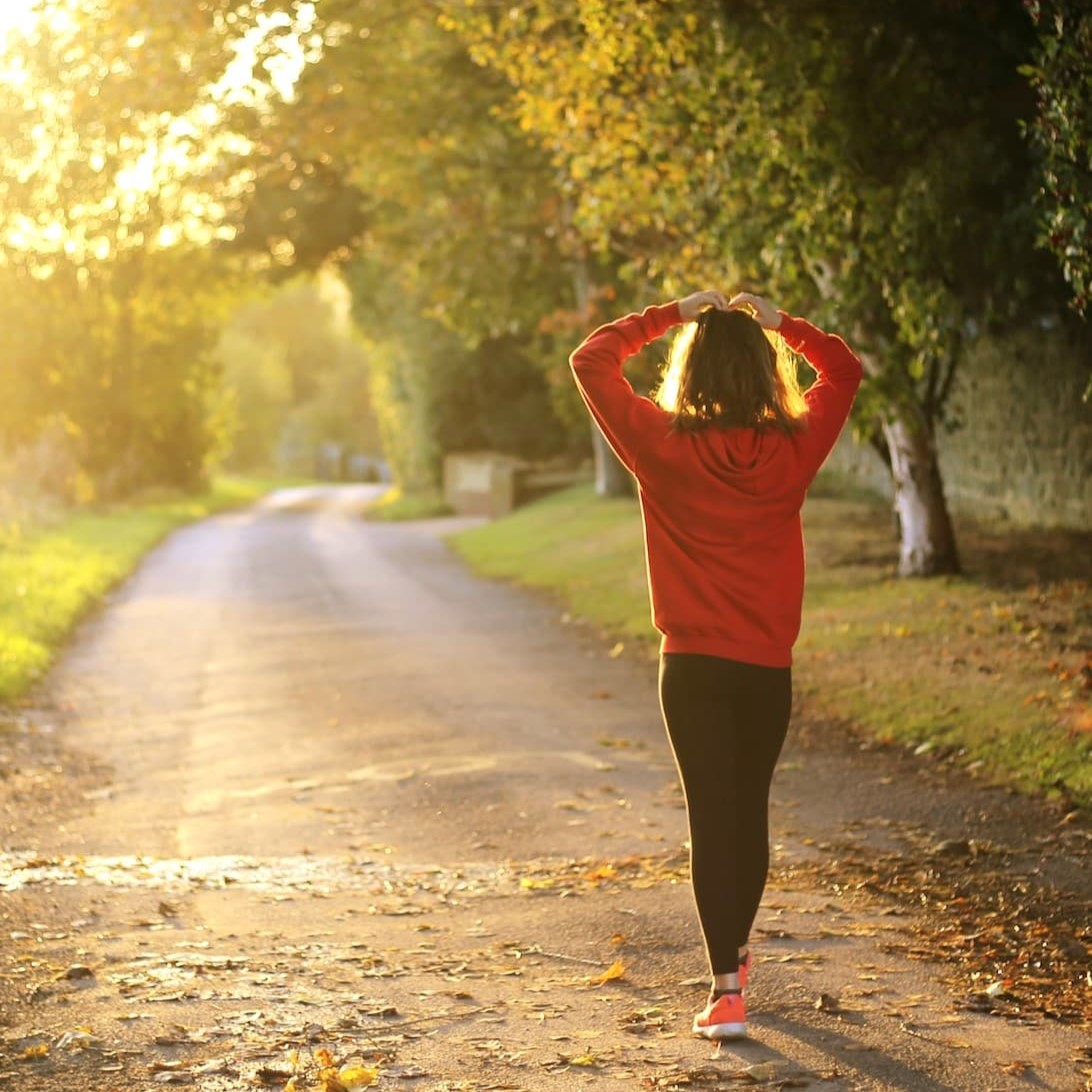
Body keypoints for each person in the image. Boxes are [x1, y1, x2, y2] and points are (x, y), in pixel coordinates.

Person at [569, 289, 863, 1040]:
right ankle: (732, 959)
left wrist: (670, 313)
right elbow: (845, 368)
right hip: (766, 667)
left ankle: (726, 988)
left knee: (711, 818)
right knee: (748, 811)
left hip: (692, 666)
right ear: (766, 374)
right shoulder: (795, 446)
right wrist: (783, 325)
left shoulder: (660, 443)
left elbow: (591, 360)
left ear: (690, 372)